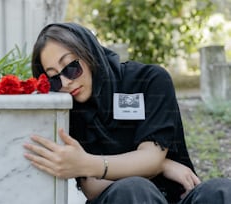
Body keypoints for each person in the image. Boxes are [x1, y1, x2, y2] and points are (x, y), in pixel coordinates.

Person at [23, 22, 231, 204]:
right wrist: (159, 166)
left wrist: (88, 163)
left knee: (221, 191)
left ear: (90, 53)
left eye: (70, 67)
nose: (66, 82)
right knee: (134, 189)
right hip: (120, 199)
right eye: (54, 78)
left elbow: (150, 158)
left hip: (178, 196)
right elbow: (92, 187)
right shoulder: (71, 109)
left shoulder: (149, 80)